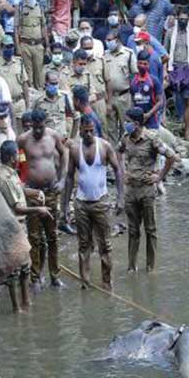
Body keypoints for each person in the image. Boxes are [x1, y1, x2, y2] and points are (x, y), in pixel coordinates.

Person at [63, 115, 123, 290]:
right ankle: (85, 283)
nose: (89, 134)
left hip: (101, 203)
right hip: (81, 204)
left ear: (94, 130)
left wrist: (120, 198)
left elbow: (118, 170)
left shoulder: (104, 146)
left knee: (105, 245)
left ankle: (107, 283)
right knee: (84, 245)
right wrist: (65, 206)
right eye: (85, 131)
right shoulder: (75, 149)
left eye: (91, 131)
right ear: (80, 130)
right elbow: (68, 178)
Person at [118, 107, 177, 273]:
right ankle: (131, 266)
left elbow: (171, 156)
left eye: (128, 121)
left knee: (150, 230)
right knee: (133, 230)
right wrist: (123, 172)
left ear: (136, 124)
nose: (125, 124)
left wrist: (159, 177)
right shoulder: (125, 138)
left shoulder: (152, 139)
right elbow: (118, 153)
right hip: (131, 190)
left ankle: (151, 268)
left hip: (146, 190)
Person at [0, 140, 53, 313]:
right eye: (17, 154)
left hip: (21, 226)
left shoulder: (12, 173)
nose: (19, 157)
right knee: (14, 270)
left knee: (25, 266)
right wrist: (38, 209)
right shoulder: (3, 178)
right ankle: (17, 308)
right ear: (11, 157)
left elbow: (21, 190)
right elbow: (17, 207)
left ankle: (26, 303)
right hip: (12, 227)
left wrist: (36, 193)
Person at [18, 109, 69, 290]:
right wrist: (21, 186)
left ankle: (55, 276)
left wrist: (63, 180)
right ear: (31, 124)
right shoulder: (23, 139)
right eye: (35, 127)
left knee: (52, 236)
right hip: (33, 194)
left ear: (45, 124)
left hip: (51, 192)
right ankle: (36, 277)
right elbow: (16, 164)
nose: (38, 131)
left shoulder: (53, 136)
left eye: (41, 127)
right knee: (34, 237)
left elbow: (64, 154)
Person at [164, 5, 189, 139]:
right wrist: (165, 70)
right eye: (181, 19)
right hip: (174, 68)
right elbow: (165, 52)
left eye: (185, 19)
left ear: (188, 19)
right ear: (177, 19)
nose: (183, 21)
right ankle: (180, 122)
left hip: (188, 68)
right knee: (177, 98)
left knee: (188, 99)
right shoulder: (170, 32)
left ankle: (187, 131)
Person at [104, 30, 138, 141]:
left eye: (110, 40)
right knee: (111, 128)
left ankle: (124, 153)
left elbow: (135, 74)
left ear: (117, 40)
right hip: (109, 97)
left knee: (126, 126)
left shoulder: (128, 54)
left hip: (124, 96)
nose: (107, 42)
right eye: (106, 40)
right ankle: (113, 153)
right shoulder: (105, 55)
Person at [17, 0, 47, 90]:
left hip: (38, 44)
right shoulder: (19, 7)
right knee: (28, 72)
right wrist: (18, 47)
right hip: (25, 44)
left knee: (39, 71)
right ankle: (30, 94)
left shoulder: (40, 7)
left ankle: (40, 92)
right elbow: (17, 29)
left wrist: (46, 45)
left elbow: (43, 26)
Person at [0, 35, 29, 119]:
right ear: (2, 47)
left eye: (11, 46)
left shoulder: (19, 62)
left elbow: (24, 84)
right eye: (7, 46)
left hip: (19, 103)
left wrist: (27, 105)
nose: (10, 49)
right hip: (4, 104)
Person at [33, 70, 73, 140]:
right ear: (46, 83)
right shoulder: (39, 100)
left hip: (62, 138)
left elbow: (73, 116)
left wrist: (71, 135)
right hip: (46, 139)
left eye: (56, 83)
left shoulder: (65, 97)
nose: (54, 86)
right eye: (52, 83)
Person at [79, 34, 108, 129]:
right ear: (81, 48)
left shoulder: (100, 61)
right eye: (86, 48)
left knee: (102, 127)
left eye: (90, 48)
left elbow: (108, 81)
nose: (88, 50)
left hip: (99, 101)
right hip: (83, 103)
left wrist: (108, 101)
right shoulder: (77, 64)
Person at [130, 50, 164, 130]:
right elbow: (131, 100)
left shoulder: (154, 80)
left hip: (152, 120)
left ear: (149, 64)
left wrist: (148, 114)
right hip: (137, 121)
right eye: (140, 63)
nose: (142, 66)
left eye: (145, 64)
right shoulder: (132, 80)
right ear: (137, 63)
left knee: (153, 140)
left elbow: (160, 101)